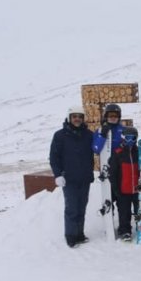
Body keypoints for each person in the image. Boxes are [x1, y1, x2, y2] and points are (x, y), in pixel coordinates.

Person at [49, 105, 94, 247]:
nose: (77, 119)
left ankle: (79, 234)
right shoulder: (60, 135)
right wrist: (57, 175)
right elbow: (54, 157)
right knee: (72, 209)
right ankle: (70, 235)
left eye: (80, 117)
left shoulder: (88, 134)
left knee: (82, 207)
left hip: (84, 178)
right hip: (68, 179)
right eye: (74, 117)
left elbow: (97, 149)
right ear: (69, 118)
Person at [109, 126, 140, 242]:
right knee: (124, 211)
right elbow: (113, 173)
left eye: (133, 138)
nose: (130, 141)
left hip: (137, 189)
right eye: (128, 138)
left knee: (139, 210)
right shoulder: (118, 153)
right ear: (123, 138)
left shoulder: (138, 152)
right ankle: (125, 230)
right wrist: (116, 189)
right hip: (123, 189)